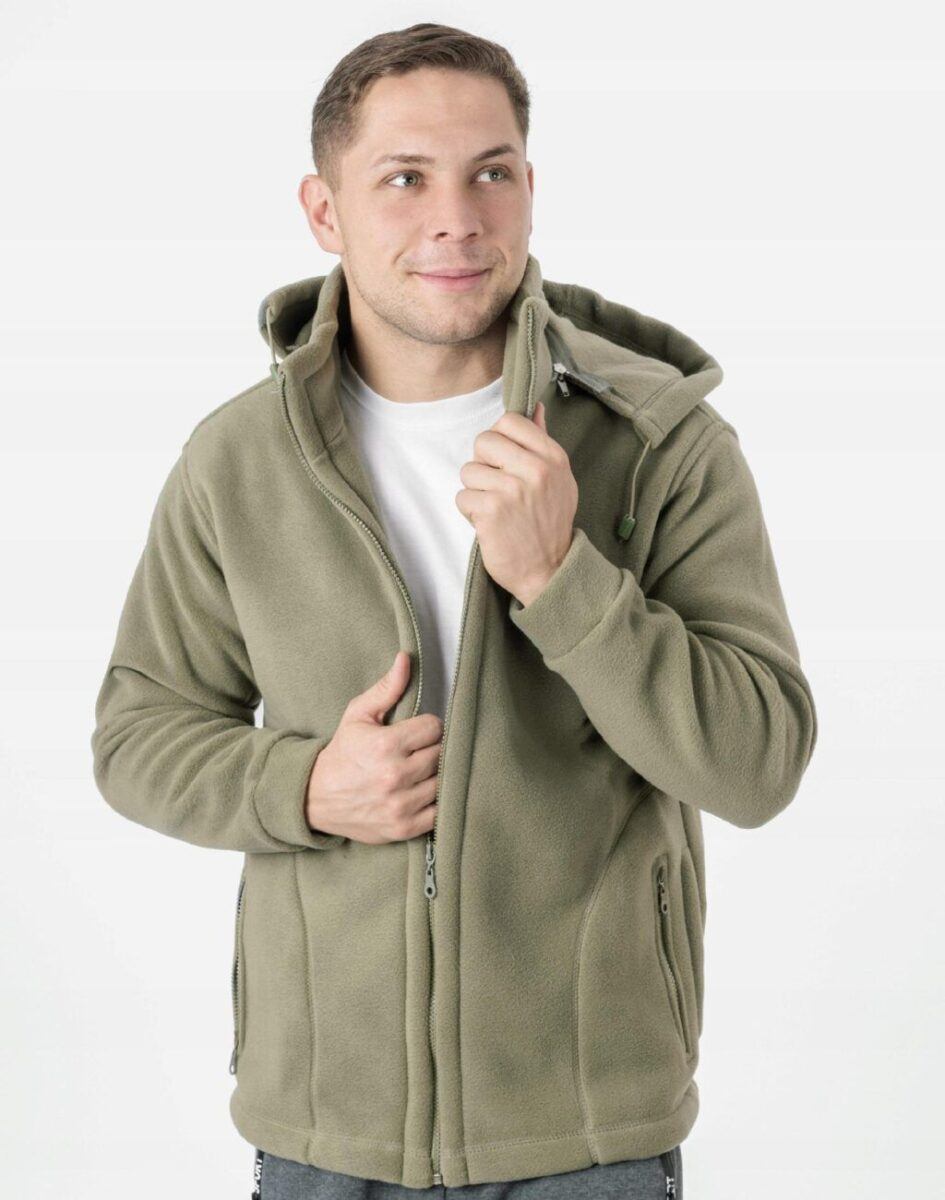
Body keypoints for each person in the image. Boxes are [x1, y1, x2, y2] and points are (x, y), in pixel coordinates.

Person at [91, 21, 817, 1200]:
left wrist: (564, 582)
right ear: (324, 212)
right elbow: (136, 738)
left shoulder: (660, 442)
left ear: (530, 188)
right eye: (404, 179)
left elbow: (759, 763)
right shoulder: (237, 461)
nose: (457, 220)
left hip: (589, 1136)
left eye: (491, 173)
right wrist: (305, 787)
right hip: (324, 1134)